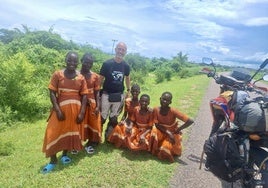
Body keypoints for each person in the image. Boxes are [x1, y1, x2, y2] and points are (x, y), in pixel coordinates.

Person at [41, 51, 88, 173]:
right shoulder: (58, 75)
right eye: (69, 60)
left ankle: (65, 155)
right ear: (65, 60)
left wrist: (82, 112)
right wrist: (57, 109)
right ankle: (52, 160)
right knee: (52, 132)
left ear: (77, 63)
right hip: (60, 110)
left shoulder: (81, 77)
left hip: (75, 111)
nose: (72, 63)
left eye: (74, 61)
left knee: (69, 131)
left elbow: (84, 96)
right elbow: (52, 92)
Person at [149, 91, 194, 163]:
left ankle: (163, 146)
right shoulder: (156, 109)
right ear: (160, 99)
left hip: (173, 133)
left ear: (170, 102)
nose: (164, 101)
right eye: (163, 99)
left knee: (168, 149)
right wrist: (168, 132)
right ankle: (155, 148)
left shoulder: (173, 111)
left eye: (167, 100)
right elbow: (157, 124)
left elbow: (190, 121)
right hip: (162, 131)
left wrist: (178, 129)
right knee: (154, 131)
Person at [99, 42, 131, 140]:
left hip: (119, 95)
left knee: (113, 118)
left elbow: (127, 78)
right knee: (102, 118)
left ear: (125, 52)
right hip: (106, 95)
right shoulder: (107, 64)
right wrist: (96, 92)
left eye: (123, 50)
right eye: (119, 49)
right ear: (115, 49)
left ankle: (109, 136)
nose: (120, 51)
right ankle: (97, 137)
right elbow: (100, 79)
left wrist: (128, 90)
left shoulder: (126, 66)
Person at [80, 53, 102, 154]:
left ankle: (92, 142)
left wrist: (98, 106)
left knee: (93, 122)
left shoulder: (95, 76)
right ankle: (77, 142)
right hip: (79, 102)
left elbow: (97, 92)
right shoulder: (76, 74)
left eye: (90, 63)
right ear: (81, 61)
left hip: (92, 103)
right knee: (81, 122)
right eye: (86, 62)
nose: (88, 65)